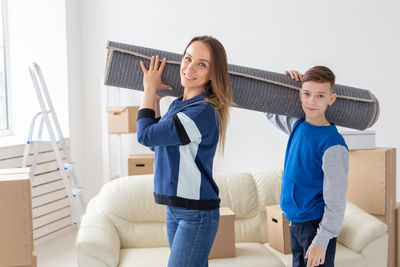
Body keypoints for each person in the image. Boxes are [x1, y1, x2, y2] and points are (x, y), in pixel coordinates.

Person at [136, 36, 233, 267]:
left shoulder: (202, 112)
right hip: (176, 208)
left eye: (202, 64)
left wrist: (149, 89)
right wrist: (157, 101)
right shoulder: (179, 105)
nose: (189, 68)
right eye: (187, 59)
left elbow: (145, 135)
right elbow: (156, 143)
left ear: (212, 73)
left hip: (196, 213)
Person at [266, 66, 349, 267]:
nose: (312, 101)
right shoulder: (297, 125)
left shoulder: (333, 145)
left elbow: (336, 201)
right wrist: (286, 80)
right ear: (300, 95)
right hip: (296, 223)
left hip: (316, 226)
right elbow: (268, 110)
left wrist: (321, 241)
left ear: (331, 99)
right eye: (307, 94)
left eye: (320, 96)